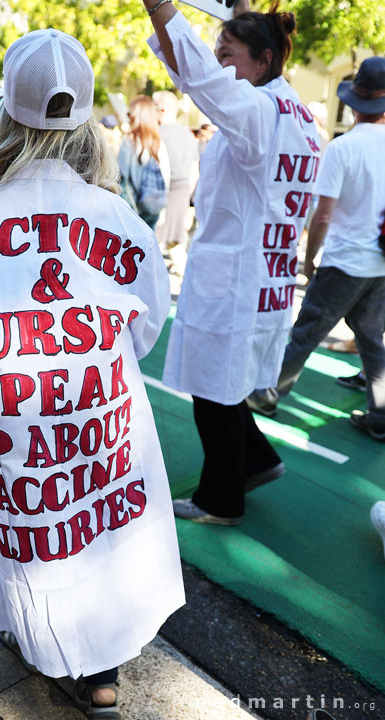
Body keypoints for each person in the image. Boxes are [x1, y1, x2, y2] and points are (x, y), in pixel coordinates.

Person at [0, 28, 185, 719]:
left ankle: (41, 639)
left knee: (32, 530)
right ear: (83, 122)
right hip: (101, 412)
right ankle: (103, 671)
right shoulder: (115, 215)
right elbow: (146, 324)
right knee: (100, 527)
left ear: (3, 117)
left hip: (11, 425)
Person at [145, 0, 320, 524]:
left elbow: (200, 76)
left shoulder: (258, 112)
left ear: (262, 61)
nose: (219, 65)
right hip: (260, 273)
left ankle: (219, 500)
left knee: (213, 388)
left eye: (230, 54)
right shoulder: (295, 112)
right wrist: (237, 17)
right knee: (224, 381)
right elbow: (197, 75)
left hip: (238, 273)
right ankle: (258, 460)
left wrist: (160, 8)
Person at [248, 57, 385, 442]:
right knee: (372, 339)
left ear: (355, 103)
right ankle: (381, 414)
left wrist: (309, 261)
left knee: (306, 332)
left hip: (345, 259)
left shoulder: (343, 148)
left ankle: (267, 393)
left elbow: (322, 215)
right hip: (380, 260)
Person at [152, 89, 199, 273]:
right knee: (175, 241)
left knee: (156, 236)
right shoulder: (188, 135)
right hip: (183, 190)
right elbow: (195, 170)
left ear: (162, 109)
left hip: (160, 190)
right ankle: (187, 273)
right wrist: (187, 198)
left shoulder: (155, 134)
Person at [117, 94, 170, 229]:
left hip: (135, 209)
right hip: (154, 208)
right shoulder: (158, 142)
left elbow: (122, 179)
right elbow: (166, 177)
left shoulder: (129, 142)